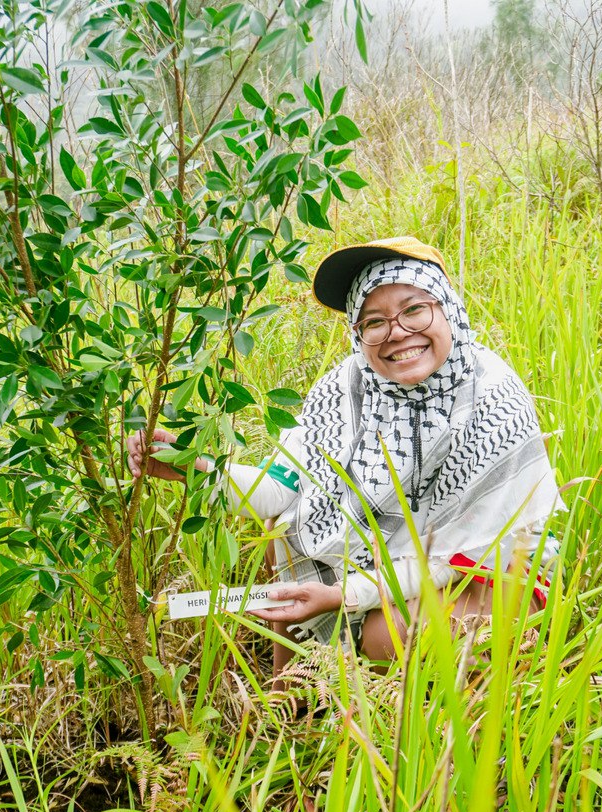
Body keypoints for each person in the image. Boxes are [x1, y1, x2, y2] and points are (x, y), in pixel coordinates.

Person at [126, 237, 563, 672]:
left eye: (414, 309)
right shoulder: (346, 388)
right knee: (283, 530)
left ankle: (448, 712)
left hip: (489, 568)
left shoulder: (491, 399)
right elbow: (279, 488)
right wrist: (195, 470)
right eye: (374, 321)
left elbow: (462, 558)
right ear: (358, 333)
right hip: (394, 559)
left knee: (385, 634)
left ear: (447, 308)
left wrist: (344, 595)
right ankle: (293, 691)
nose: (397, 333)